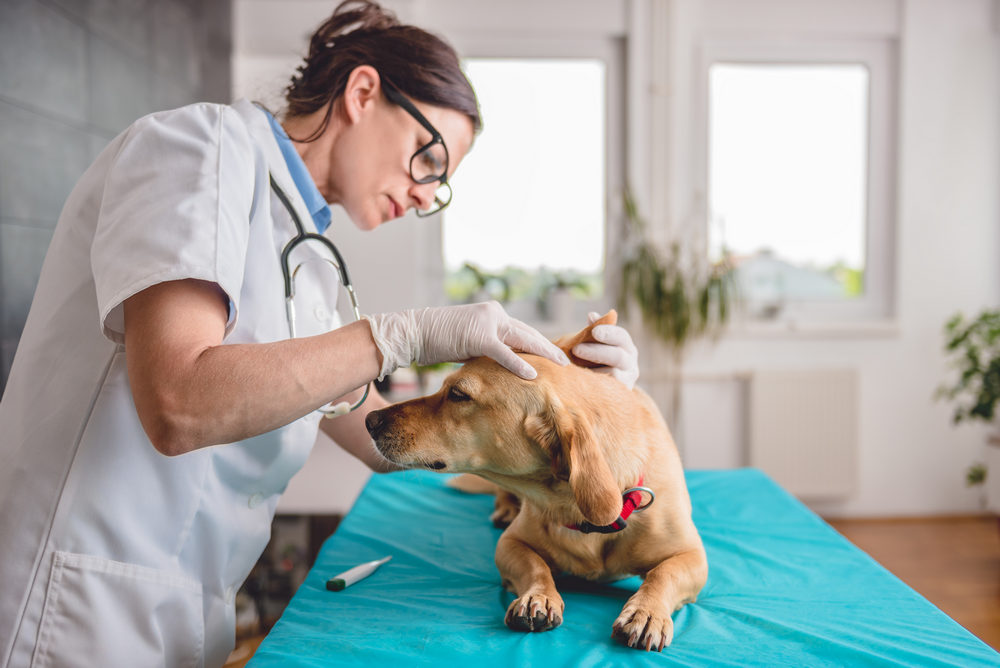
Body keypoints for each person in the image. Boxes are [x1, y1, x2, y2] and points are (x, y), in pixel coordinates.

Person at [0, 1, 640, 665]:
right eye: (429, 159)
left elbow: (376, 428)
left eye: (441, 184)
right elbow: (178, 402)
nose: (426, 194)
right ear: (363, 92)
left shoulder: (305, 256)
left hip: (186, 604)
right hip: (76, 602)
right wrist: (402, 336)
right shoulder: (200, 150)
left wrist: (585, 408)